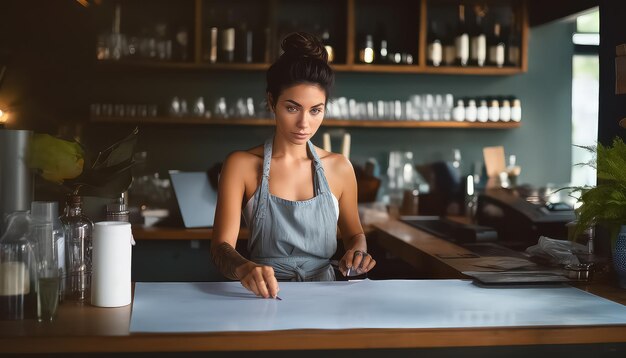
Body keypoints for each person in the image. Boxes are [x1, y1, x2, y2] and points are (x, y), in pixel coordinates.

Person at [210, 32, 376, 299]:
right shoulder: (240, 165)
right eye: (292, 108)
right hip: (264, 294)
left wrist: (357, 254)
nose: (304, 124)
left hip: (327, 296)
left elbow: (355, 234)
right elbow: (220, 248)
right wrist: (244, 268)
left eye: (315, 110)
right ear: (271, 102)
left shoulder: (340, 168)